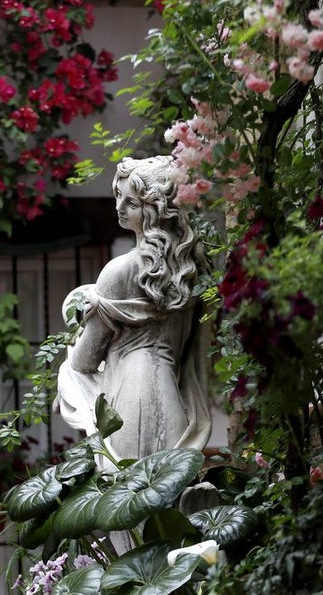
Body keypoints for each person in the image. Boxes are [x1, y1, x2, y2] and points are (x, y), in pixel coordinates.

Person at [55, 155, 212, 464]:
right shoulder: (193, 270)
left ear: (155, 211)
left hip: (127, 402)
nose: (118, 207)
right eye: (118, 196)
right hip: (174, 404)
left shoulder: (120, 271)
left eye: (131, 203)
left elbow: (85, 362)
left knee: (128, 500)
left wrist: (77, 331)